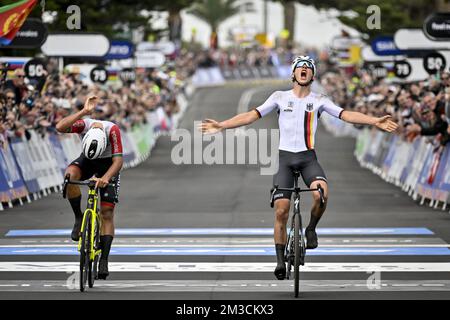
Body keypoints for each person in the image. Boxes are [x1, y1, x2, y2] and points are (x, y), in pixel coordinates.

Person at [199, 56, 398, 280]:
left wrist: (374, 121)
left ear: (312, 76)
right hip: (285, 159)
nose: (304, 70)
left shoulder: (320, 100)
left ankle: (311, 228)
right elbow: (251, 116)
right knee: (282, 210)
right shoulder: (279, 97)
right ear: (293, 74)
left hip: (307, 159)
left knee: (321, 193)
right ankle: (280, 260)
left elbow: (345, 114)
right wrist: (222, 126)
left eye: (308, 68)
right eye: (300, 68)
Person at [56, 96, 123, 280]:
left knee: (107, 213)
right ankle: (78, 217)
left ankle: (104, 260)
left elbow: (118, 161)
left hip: (108, 165)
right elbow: (60, 127)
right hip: (87, 159)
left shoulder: (112, 130)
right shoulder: (84, 124)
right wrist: (83, 112)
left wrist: (105, 178)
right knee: (70, 176)